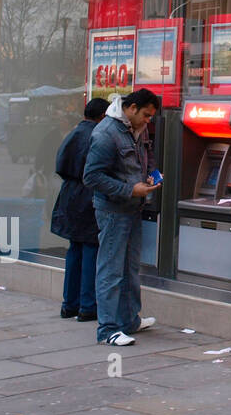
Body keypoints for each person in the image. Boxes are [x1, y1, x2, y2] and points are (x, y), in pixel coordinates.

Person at [83, 88, 162, 346]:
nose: (148, 121)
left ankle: (129, 320)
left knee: (130, 268)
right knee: (111, 269)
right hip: (113, 210)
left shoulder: (137, 128)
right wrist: (130, 189)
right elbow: (92, 177)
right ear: (132, 108)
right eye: (146, 116)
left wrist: (150, 175)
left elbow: (146, 157)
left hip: (133, 207)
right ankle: (107, 329)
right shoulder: (106, 133)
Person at [50, 98, 109, 321]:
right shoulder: (97, 135)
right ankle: (87, 306)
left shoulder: (74, 133)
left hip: (70, 195)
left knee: (74, 249)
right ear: (103, 116)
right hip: (88, 197)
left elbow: (61, 165)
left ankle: (69, 304)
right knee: (91, 249)